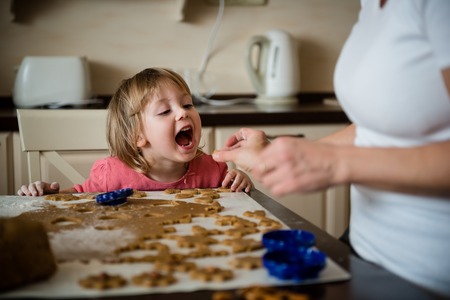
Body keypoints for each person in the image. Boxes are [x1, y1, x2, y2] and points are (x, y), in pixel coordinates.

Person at [213, 0, 450, 297]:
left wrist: (337, 163)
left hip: (428, 271)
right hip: (363, 249)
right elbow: (376, 128)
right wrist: (273, 152)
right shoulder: (369, 7)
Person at [18, 68, 253, 196]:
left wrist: (241, 180)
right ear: (137, 136)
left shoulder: (212, 170)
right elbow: (78, 197)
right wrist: (47, 194)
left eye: (188, 104)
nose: (183, 113)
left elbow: (235, 198)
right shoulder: (112, 175)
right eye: (164, 111)